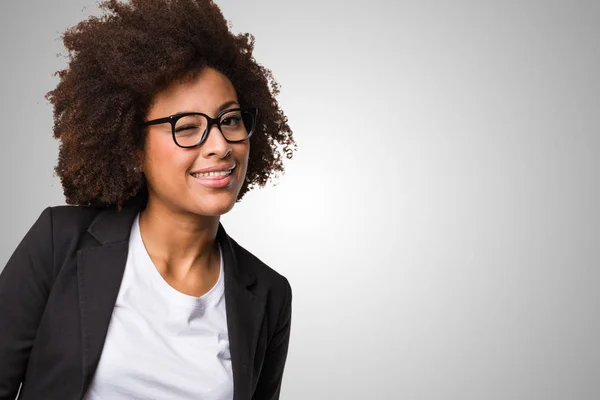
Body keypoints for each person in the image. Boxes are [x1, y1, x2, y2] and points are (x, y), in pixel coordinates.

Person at [0, 1, 296, 399]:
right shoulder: (60, 243)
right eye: (187, 127)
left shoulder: (267, 294)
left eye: (230, 120)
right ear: (133, 148)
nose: (221, 146)